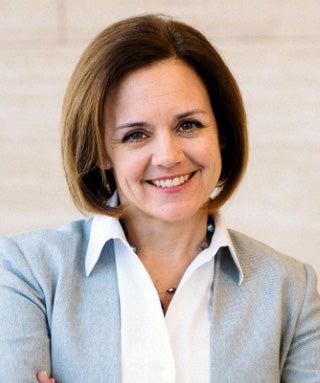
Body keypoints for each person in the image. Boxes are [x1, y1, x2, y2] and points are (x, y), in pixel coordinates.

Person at [0, 14, 319, 383]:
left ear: (222, 132)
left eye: (188, 125)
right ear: (102, 151)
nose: (168, 156)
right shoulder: (27, 274)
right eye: (136, 134)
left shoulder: (291, 290)